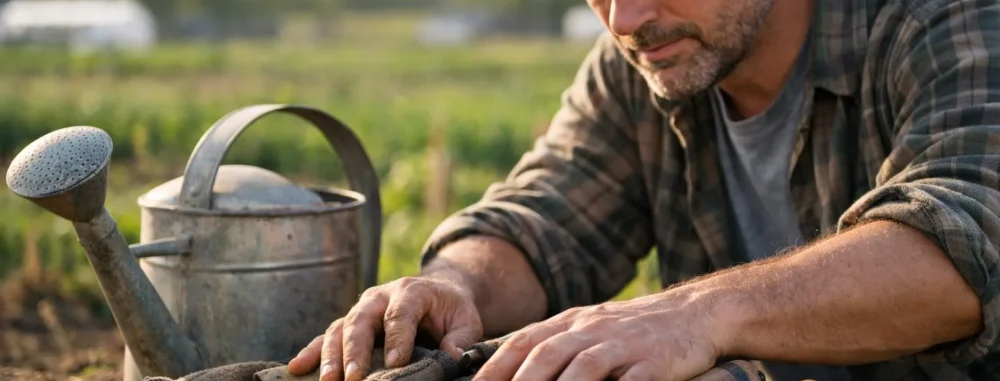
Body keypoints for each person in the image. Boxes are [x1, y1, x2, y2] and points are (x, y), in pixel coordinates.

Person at [288, 0, 1000, 380]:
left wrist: (695, 313)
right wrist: (456, 287)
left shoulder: (940, 18)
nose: (624, 19)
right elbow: (547, 210)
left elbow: (969, 239)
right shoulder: (650, 56)